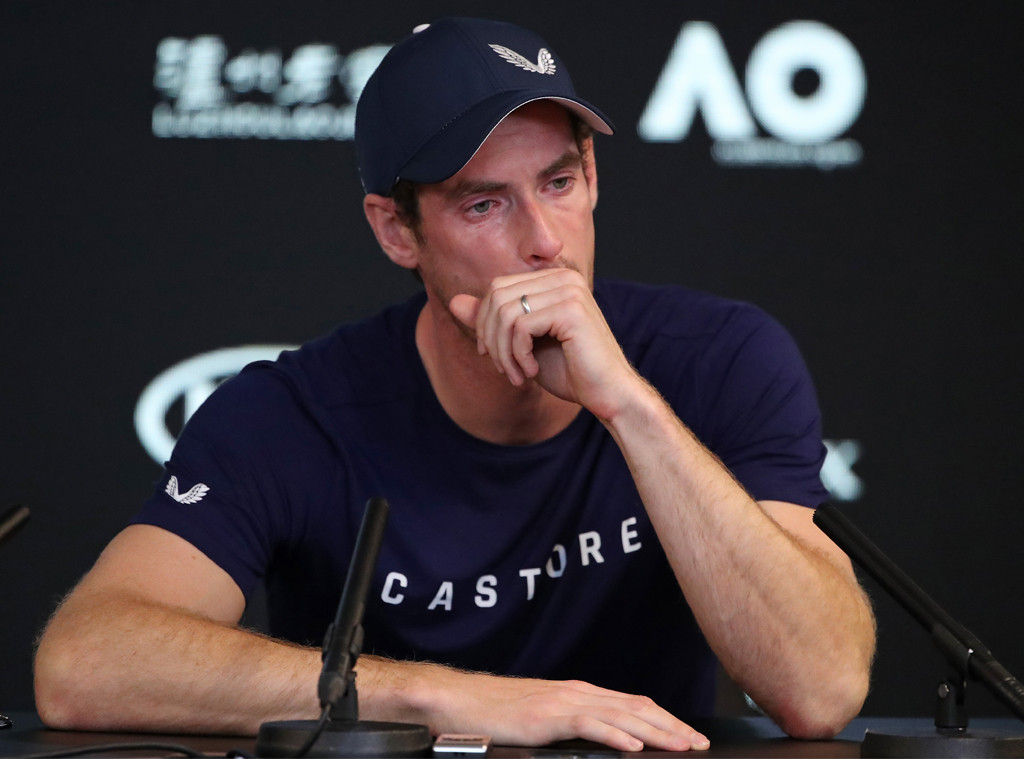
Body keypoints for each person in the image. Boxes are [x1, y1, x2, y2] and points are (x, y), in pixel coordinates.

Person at [34, 17, 875, 752]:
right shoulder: (292, 413)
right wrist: (447, 698)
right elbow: (85, 662)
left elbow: (821, 688)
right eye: (484, 205)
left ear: (593, 176)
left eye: (559, 182)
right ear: (397, 230)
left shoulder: (717, 358)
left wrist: (627, 403)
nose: (545, 242)